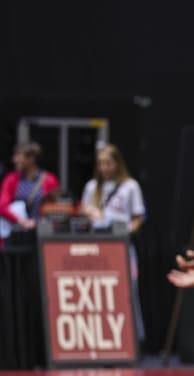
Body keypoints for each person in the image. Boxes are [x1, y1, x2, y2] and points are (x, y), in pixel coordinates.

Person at [80, 143, 147, 346]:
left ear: (117, 163)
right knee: (98, 292)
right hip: (97, 246)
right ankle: (100, 339)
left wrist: (127, 230)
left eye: (108, 163)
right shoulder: (92, 187)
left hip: (121, 245)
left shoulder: (130, 186)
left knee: (127, 290)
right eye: (101, 163)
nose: (104, 167)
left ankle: (133, 340)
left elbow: (138, 217)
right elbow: (83, 209)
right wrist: (88, 211)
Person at [0, 141, 59, 246]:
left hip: (39, 236)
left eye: (19, 156)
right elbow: (2, 207)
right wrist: (22, 222)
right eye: (15, 156)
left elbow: (55, 209)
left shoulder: (49, 180)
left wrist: (36, 223)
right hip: (15, 235)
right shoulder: (11, 179)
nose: (15, 160)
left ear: (32, 158)